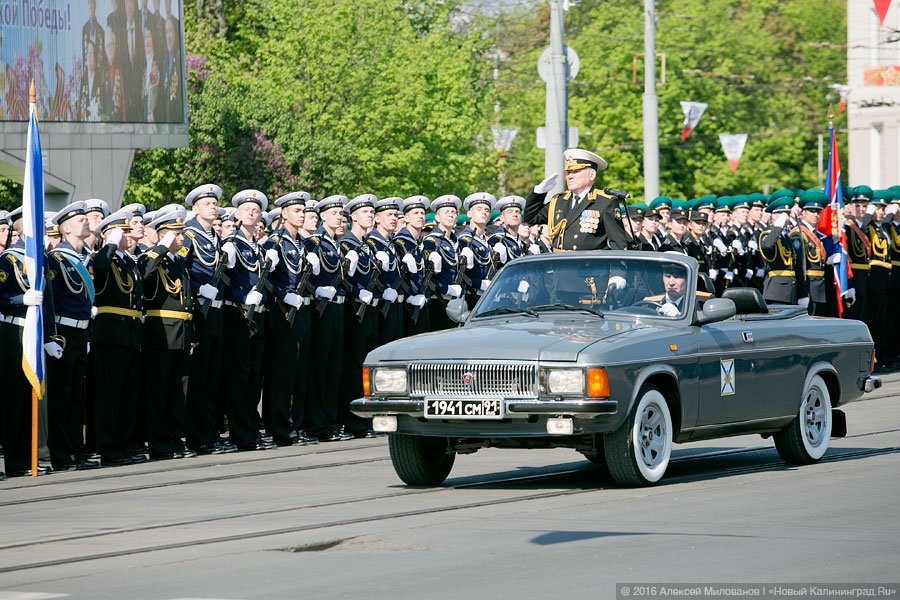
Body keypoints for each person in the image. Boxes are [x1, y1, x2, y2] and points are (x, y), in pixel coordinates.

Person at [90, 210, 147, 466]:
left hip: (131, 331)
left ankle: (123, 444)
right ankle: (109, 447)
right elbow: (99, 266)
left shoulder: (128, 261)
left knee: (128, 393)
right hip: (111, 332)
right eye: (122, 231)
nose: (128, 235)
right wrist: (109, 243)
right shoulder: (105, 257)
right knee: (110, 394)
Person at [262, 191, 318, 446]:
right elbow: (266, 280)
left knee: (300, 372)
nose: (302, 214)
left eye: (303, 211)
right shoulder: (274, 242)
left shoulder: (303, 244)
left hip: (303, 310)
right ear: (284, 214)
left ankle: (297, 424)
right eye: (297, 211)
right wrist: (284, 296)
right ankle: (280, 427)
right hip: (284, 312)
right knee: (284, 372)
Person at [46, 202, 99, 471]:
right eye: (80, 221)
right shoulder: (57, 258)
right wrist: (48, 337)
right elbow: (48, 300)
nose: (86, 223)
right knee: (62, 396)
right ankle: (61, 454)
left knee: (77, 395)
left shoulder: (85, 258)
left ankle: (76, 450)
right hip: (63, 333)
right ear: (65, 228)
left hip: (81, 332)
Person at [138, 210, 195, 460]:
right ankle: (158, 444)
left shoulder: (178, 261)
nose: (182, 238)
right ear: (163, 236)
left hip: (181, 333)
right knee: (158, 392)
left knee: (176, 392)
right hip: (160, 332)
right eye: (177, 234)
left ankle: (174, 439)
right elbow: (145, 275)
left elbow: (186, 300)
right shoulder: (151, 257)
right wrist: (160, 247)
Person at [221, 190, 275, 451]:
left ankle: (250, 429)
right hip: (239, 314)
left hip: (259, 315)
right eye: (247, 209)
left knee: (254, 376)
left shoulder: (258, 246)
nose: (252, 212)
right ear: (238, 214)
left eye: (256, 209)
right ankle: (240, 433)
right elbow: (223, 279)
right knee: (240, 375)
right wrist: (243, 295)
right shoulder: (232, 243)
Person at [182, 184, 234, 455]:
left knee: (213, 376)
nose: (213, 207)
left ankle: (210, 433)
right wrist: (198, 289)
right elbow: (181, 270)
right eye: (207, 204)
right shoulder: (188, 234)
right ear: (195, 208)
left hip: (216, 310)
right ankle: (197, 436)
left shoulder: (213, 237)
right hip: (199, 311)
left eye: (214, 203)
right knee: (200, 378)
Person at [304, 195, 350, 442]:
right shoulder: (314, 243)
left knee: (334, 367)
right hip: (322, 308)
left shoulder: (337, 245)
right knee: (320, 368)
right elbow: (303, 277)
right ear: (323, 216)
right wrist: (316, 290)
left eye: (341, 213)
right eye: (334, 213)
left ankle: (330, 422)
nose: (339, 217)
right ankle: (317, 424)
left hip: (338, 308)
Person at [524, 149, 630, 252]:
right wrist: (538, 192)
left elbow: (618, 244)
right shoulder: (559, 201)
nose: (570, 176)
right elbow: (531, 217)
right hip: (560, 265)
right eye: (568, 172)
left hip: (590, 266)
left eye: (575, 171)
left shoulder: (605, 202)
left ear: (591, 175)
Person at [422, 195, 464, 331]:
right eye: (446, 212)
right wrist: (447, 289)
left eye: (453, 212)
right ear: (437, 218)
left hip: (454, 301)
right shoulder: (431, 241)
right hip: (438, 301)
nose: (451, 215)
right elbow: (427, 277)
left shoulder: (454, 241)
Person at [367, 197, 404, 346]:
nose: (394, 218)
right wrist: (383, 290)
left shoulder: (393, 244)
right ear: (377, 218)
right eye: (389, 215)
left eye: (395, 215)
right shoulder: (371, 243)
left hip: (395, 306)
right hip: (381, 307)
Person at [393, 196, 430, 336]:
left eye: (422, 213)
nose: (420, 216)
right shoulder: (400, 242)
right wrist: (410, 295)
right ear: (406, 218)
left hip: (421, 302)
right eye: (416, 213)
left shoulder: (420, 243)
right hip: (407, 306)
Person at [459, 193, 496, 307]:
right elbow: (460, 273)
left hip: (487, 297)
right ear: (469, 214)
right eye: (479, 209)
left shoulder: (488, 242)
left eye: (486, 210)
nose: (484, 212)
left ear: (489, 217)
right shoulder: (464, 240)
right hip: (470, 297)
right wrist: (479, 283)